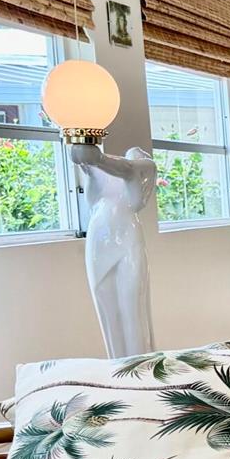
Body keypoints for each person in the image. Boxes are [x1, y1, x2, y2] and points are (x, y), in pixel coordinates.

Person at [68, 141, 157, 356]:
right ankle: (117, 365)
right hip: (98, 239)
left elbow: (127, 169)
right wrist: (86, 159)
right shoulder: (96, 171)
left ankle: (141, 364)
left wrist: (97, 158)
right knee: (107, 308)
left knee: (133, 307)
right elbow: (91, 186)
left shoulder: (144, 166)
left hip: (128, 239)